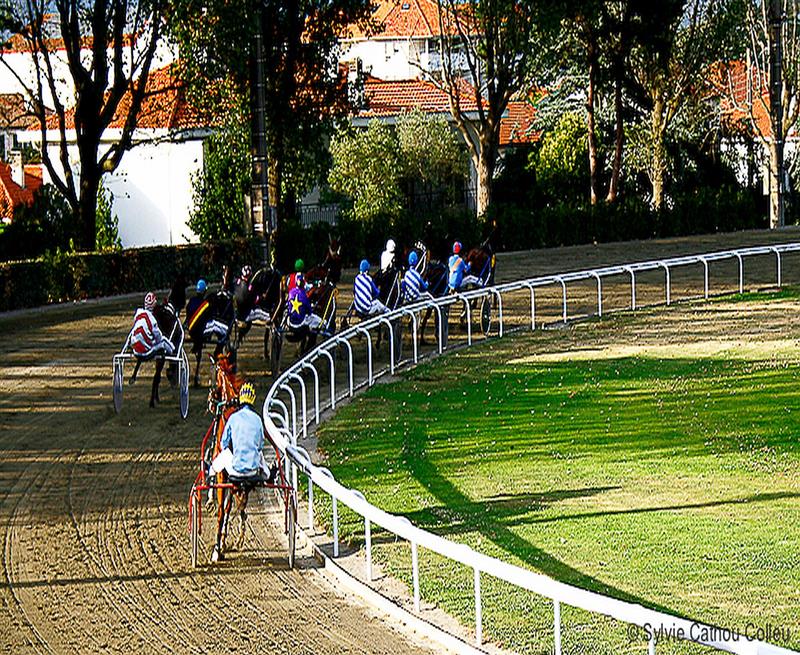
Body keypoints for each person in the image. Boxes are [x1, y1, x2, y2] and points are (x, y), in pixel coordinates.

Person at [218, 382, 272, 482]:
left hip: (235, 472)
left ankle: (211, 473)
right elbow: (260, 446)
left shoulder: (233, 418)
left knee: (224, 454)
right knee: (259, 453)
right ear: (253, 399)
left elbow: (223, 444)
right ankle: (267, 475)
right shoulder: (258, 419)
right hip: (253, 472)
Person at [130, 292, 175, 356]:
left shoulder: (138, 314)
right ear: (154, 304)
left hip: (135, 349)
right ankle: (173, 352)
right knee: (164, 341)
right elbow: (159, 337)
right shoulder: (152, 320)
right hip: (146, 351)